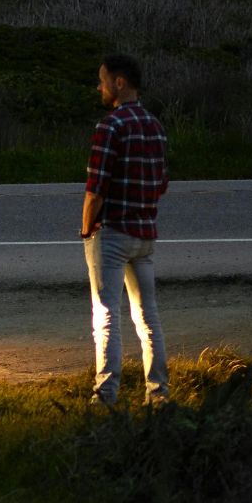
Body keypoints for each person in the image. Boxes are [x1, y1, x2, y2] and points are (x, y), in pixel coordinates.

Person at [80, 54, 169, 406]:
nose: (99, 87)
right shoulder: (155, 126)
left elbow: (95, 187)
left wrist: (87, 228)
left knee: (106, 315)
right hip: (144, 234)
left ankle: (105, 396)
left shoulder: (110, 126)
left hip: (113, 232)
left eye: (102, 80)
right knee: (148, 316)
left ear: (119, 83)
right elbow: (161, 182)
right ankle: (158, 394)